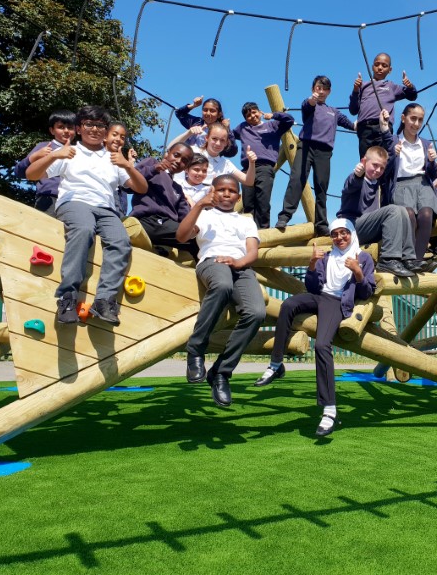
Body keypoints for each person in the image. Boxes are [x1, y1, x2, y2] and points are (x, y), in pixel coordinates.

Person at [25, 105, 148, 325]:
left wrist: (128, 166)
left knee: (121, 241)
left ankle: (105, 300)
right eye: (89, 124)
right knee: (83, 229)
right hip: (75, 202)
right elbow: (31, 174)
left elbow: (141, 188)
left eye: (100, 125)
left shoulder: (113, 158)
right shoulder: (70, 151)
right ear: (80, 129)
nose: (95, 129)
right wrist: (55, 154)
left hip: (106, 209)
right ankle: (67, 297)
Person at [255, 218, 375, 436]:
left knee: (321, 346)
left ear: (351, 234)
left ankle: (329, 409)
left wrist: (358, 272)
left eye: (343, 233)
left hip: (337, 302)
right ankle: (275, 364)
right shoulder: (327, 256)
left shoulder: (363, 257)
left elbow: (367, 292)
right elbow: (313, 286)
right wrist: (311, 265)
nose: (339, 238)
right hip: (320, 296)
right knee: (288, 304)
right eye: (335, 234)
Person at [176, 174, 267, 405]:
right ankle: (195, 351)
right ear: (213, 192)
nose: (226, 194)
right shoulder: (205, 215)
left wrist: (239, 262)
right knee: (223, 285)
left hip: (240, 267)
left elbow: (252, 252)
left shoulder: (245, 220)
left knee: (257, 312)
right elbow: (182, 235)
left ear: (238, 196)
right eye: (221, 190)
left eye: (231, 191)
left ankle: (221, 372)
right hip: (212, 262)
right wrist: (197, 205)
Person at [338, 110, 421, 277]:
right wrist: (358, 174)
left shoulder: (379, 183)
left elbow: (391, 156)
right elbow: (350, 186)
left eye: (381, 168)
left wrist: (385, 130)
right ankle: (388, 260)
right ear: (364, 161)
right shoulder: (357, 178)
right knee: (393, 209)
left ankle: (409, 258)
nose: (377, 170)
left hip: (370, 227)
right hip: (351, 227)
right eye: (374, 165)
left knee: (403, 211)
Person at [275, 75, 356, 236]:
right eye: (318, 88)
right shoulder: (309, 105)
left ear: (329, 91)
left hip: (324, 152)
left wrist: (369, 121)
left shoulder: (334, 112)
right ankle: (284, 216)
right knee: (297, 179)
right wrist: (312, 99)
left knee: (321, 186)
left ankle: (321, 223)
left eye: (325, 88)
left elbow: (352, 125)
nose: (321, 91)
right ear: (313, 89)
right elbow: (308, 104)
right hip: (305, 146)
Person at [391, 103, 437, 270]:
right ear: (403, 118)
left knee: (426, 214)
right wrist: (392, 155)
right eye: (413, 118)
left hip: (423, 184)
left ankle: (417, 260)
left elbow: (433, 175)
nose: (416, 124)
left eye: (420, 120)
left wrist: (433, 161)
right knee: (409, 215)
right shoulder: (393, 141)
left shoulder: (425, 144)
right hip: (401, 184)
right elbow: (385, 170)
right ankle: (408, 258)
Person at [129, 142, 197, 258]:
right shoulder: (152, 163)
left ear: (186, 167)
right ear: (167, 153)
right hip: (148, 221)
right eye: (176, 155)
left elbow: (184, 217)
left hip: (167, 227)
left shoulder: (177, 189)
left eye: (185, 161)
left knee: (199, 241)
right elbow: (130, 181)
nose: (179, 161)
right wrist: (155, 169)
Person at [232, 102, 294, 228]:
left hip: (264, 167)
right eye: (248, 115)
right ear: (245, 118)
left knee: (263, 200)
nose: (252, 116)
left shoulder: (272, 125)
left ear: (260, 112)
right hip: (247, 168)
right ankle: (248, 231)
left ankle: (263, 231)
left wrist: (274, 115)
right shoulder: (243, 128)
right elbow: (230, 136)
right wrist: (225, 125)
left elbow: (290, 120)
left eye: (254, 112)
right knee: (248, 202)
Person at [349, 53, 418, 158]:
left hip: (383, 127)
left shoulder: (391, 86)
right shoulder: (363, 86)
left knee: (383, 160)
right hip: (365, 129)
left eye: (384, 65)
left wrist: (410, 86)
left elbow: (412, 96)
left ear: (390, 70)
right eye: (377, 64)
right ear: (372, 67)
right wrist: (355, 90)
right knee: (366, 161)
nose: (380, 68)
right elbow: (353, 110)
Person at [14, 109, 76, 217]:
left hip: (73, 200)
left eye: (70, 128)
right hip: (48, 197)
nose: (66, 131)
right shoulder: (45, 147)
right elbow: (19, 172)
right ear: (52, 130)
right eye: (61, 127)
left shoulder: (78, 151)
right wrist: (34, 157)